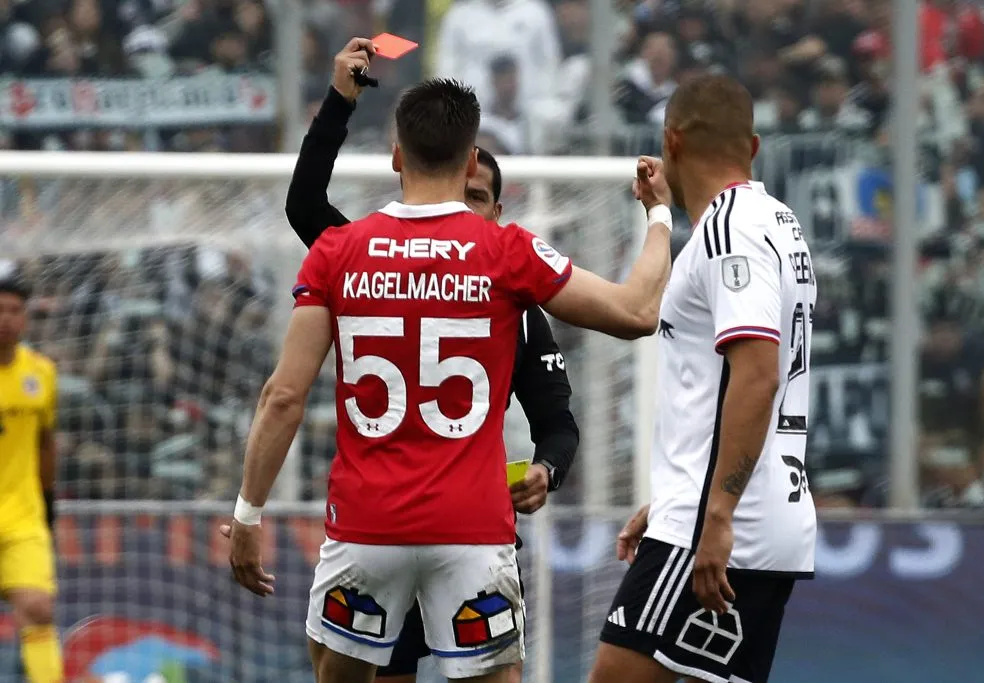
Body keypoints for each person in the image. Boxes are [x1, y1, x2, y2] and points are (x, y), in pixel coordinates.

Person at [223, 37, 673, 683]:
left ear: (396, 154)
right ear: (470, 164)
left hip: (366, 528)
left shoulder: (338, 251)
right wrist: (658, 214)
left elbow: (283, 397)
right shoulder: (507, 252)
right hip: (471, 531)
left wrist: (247, 514)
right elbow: (635, 313)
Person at [284, 42, 581, 683]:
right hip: (395, 528)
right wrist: (339, 104)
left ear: (498, 214)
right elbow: (304, 207)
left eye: (479, 200)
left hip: (463, 526)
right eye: (463, 191)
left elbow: (559, 422)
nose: (465, 207)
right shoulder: (369, 260)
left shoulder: (519, 303)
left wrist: (548, 470)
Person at [592, 74, 818, 683]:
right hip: (748, 513)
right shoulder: (778, 222)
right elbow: (719, 381)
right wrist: (673, 496)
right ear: (755, 146)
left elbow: (757, 375)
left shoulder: (727, 231)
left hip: (719, 526)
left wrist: (712, 513)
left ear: (671, 140)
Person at [0, 276, 63, 683]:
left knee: (39, 608)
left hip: (22, 516)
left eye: (14, 310)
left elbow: (46, 443)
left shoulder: (41, 373)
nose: (5, 319)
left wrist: (48, 499)